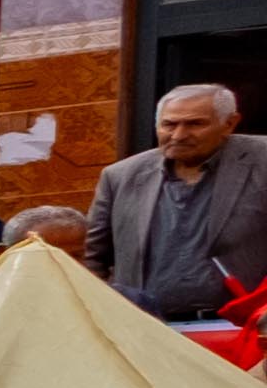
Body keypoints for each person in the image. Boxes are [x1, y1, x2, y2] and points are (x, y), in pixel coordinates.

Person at [81, 79, 262, 323]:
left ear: (229, 123)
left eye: (195, 124)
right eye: (169, 124)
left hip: (247, 327)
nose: (179, 135)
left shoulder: (261, 162)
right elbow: (91, 258)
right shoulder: (120, 176)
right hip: (146, 327)